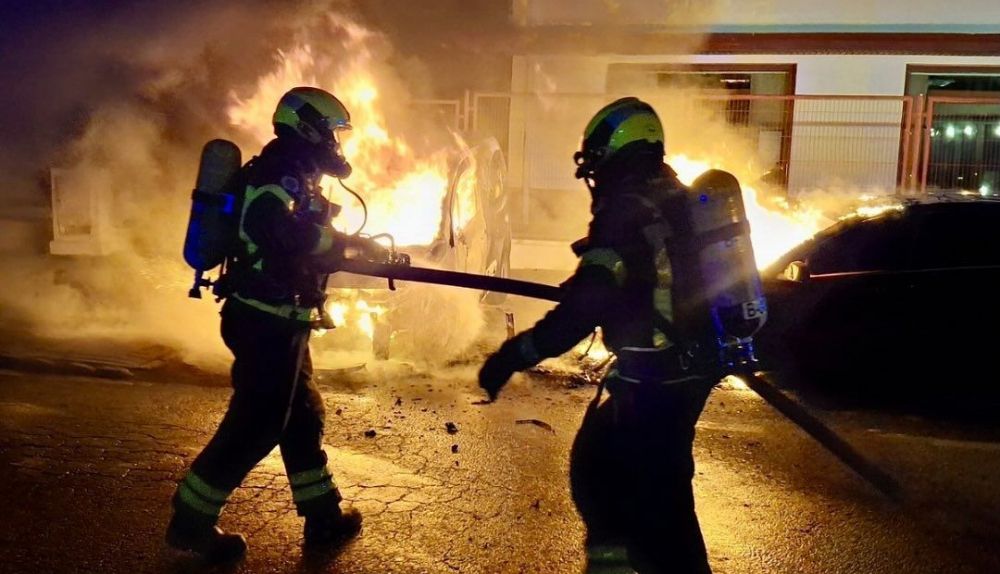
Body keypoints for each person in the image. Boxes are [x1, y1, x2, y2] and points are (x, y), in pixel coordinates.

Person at [478, 97, 716, 574]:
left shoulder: (625, 208)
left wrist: (514, 354)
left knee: (661, 512)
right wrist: (597, 280)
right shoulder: (670, 195)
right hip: (682, 370)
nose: (593, 172)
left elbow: (585, 310)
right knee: (599, 467)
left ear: (616, 152)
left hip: (657, 380)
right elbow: (648, 275)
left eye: (597, 158)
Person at [166, 86, 389, 562]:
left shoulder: (296, 173)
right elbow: (279, 231)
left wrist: (349, 243)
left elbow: (298, 233)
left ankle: (323, 517)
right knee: (257, 424)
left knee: (303, 416)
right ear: (307, 127)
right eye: (331, 132)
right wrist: (339, 243)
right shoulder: (280, 173)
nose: (335, 143)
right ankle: (191, 521)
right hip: (263, 319)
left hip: (282, 319)